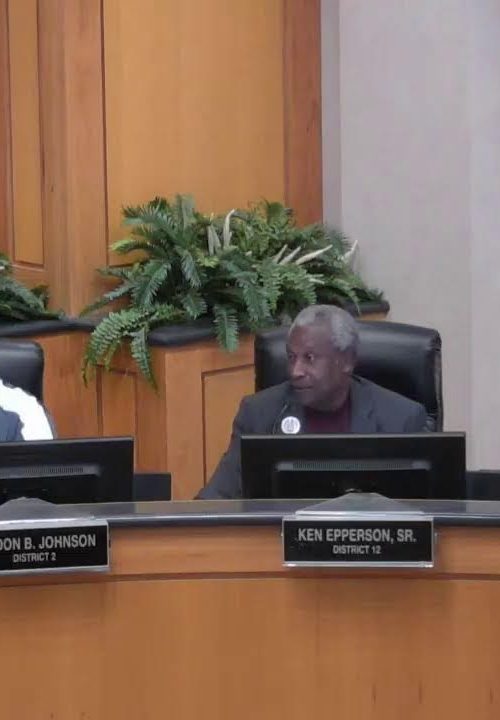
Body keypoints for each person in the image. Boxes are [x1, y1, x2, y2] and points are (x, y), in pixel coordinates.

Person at [197, 304, 428, 499]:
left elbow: (427, 513)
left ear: (347, 361)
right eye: (291, 357)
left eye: (309, 358)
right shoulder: (258, 414)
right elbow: (214, 501)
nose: (295, 371)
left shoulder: (401, 419)